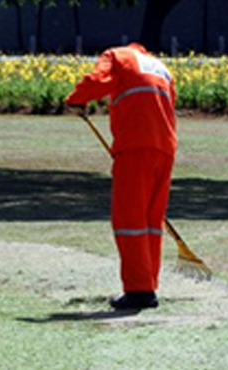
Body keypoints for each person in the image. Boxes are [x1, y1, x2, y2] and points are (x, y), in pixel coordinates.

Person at [65, 43, 177, 311]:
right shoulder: (161, 68)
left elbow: (97, 79)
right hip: (165, 148)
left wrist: (76, 99)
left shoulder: (117, 56)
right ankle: (148, 284)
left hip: (136, 146)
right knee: (151, 221)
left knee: (131, 220)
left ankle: (139, 290)